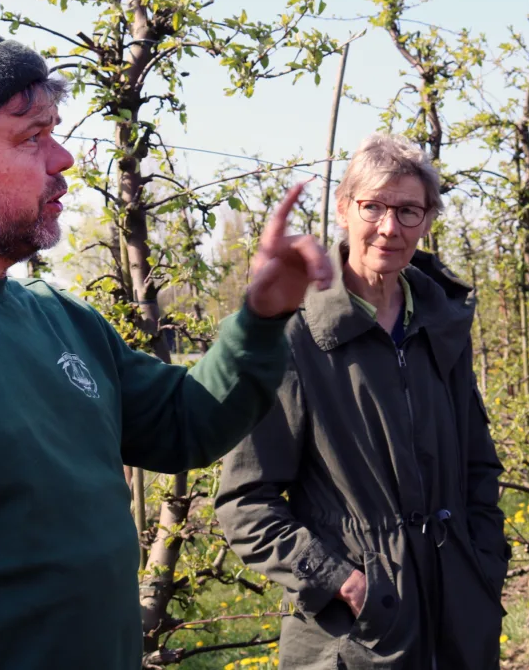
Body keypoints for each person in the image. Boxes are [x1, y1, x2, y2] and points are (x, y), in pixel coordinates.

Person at [0, 21, 332, 669]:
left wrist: (264, 313)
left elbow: (189, 424)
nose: (64, 159)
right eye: (32, 137)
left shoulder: (59, 319)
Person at [215, 133, 510, 670]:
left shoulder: (443, 324)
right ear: (344, 208)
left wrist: (484, 562)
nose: (389, 227)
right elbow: (244, 500)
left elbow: (477, 465)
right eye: (372, 206)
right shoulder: (294, 333)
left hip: (459, 617)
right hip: (356, 635)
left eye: (408, 211)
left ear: (428, 221)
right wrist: (342, 582)